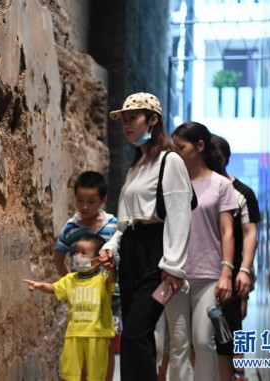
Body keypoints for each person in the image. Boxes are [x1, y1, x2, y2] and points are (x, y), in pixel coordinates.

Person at [98, 92, 194, 380]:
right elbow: (125, 220)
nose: (127, 125)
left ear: (153, 120)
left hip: (157, 254)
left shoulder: (170, 160)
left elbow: (179, 214)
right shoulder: (136, 166)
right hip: (131, 251)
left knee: (135, 335)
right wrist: (112, 247)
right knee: (134, 333)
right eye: (124, 120)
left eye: (133, 118)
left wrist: (173, 266)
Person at [166, 122, 237, 381]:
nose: (175, 152)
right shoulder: (171, 183)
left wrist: (226, 272)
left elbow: (227, 232)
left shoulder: (221, 185)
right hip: (175, 273)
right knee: (178, 344)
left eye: (180, 147)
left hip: (208, 275)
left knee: (203, 341)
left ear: (199, 146)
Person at [53, 171, 119, 380]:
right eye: (80, 201)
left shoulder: (113, 226)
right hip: (84, 297)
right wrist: (71, 285)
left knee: (107, 342)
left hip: (111, 295)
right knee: (83, 344)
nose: (84, 207)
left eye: (91, 201)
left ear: (103, 200)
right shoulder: (71, 228)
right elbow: (58, 257)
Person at [24, 234, 115, 381]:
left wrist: (109, 266)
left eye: (83, 252)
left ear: (97, 260)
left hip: (97, 336)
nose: (77, 256)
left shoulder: (103, 279)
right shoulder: (70, 279)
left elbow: (111, 278)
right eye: (76, 251)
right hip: (73, 335)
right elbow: (54, 287)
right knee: (70, 374)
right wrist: (40, 285)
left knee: (97, 374)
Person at [211, 134, 261, 381]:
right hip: (205, 271)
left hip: (233, 272)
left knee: (233, 327)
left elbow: (251, 232)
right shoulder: (198, 188)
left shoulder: (242, 193)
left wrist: (245, 269)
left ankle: (238, 374)